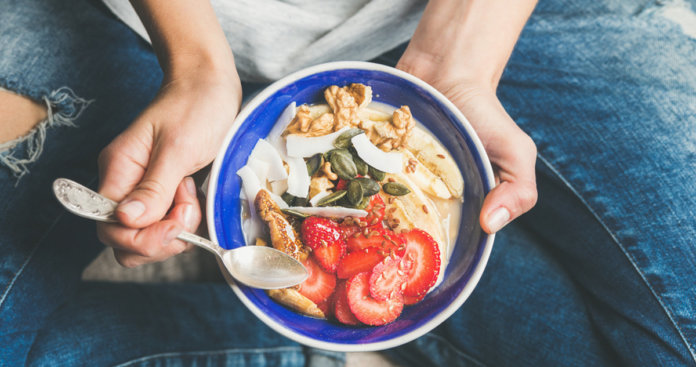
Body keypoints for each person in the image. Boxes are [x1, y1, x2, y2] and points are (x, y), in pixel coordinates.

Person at [0, 0, 694, 365]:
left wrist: (463, 51)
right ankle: (333, 353)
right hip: (134, 22)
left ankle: (385, 332)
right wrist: (197, 63)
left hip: (489, 20)